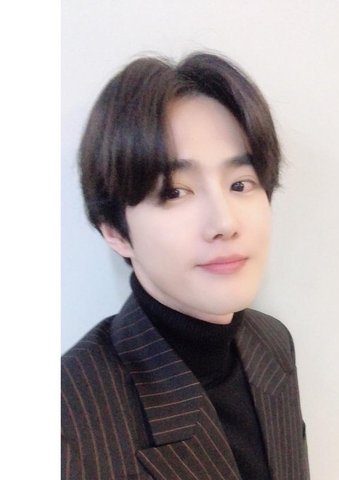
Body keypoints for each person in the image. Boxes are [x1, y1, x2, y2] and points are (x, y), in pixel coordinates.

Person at [61, 52, 309, 480]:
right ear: (115, 230)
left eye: (240, 184)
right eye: (174, 192)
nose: (225, 223)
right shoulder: (67, 416)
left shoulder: (272, 344)